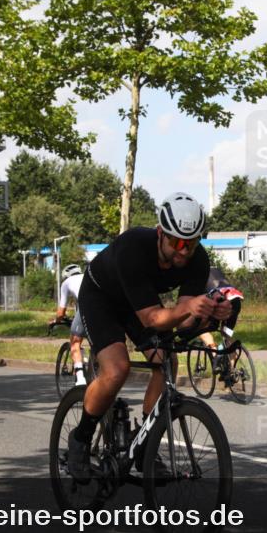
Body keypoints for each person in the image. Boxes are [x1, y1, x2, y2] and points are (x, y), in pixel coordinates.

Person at [69, 192, 231, 482]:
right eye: (178, 242)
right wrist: (189, 309)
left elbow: (184, 320)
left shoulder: (197, 261)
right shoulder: (134, 247)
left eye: (191, 243)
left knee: (166, 360)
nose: (184, 251)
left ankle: (146, 445)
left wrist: (211, 313)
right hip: (101, 299)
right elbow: (153, 319)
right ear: (161, 233)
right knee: (117, 368)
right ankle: (81, 437)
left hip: (139, 303)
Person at [198, 267, 244, 381]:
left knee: (202, 329)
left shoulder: (198, 274)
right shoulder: (217, 270)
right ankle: (232, 371)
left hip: (220, 300)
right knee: (226, 334)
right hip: (235, 299)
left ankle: (216, 357)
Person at [50, 263, 88, 386]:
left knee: (75, 342)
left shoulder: (66, 283)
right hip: (106, 308)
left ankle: (81, 379)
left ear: (65, 275)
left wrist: (56, 321)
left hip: (87, 307)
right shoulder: (87, 276)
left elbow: (61, 312)